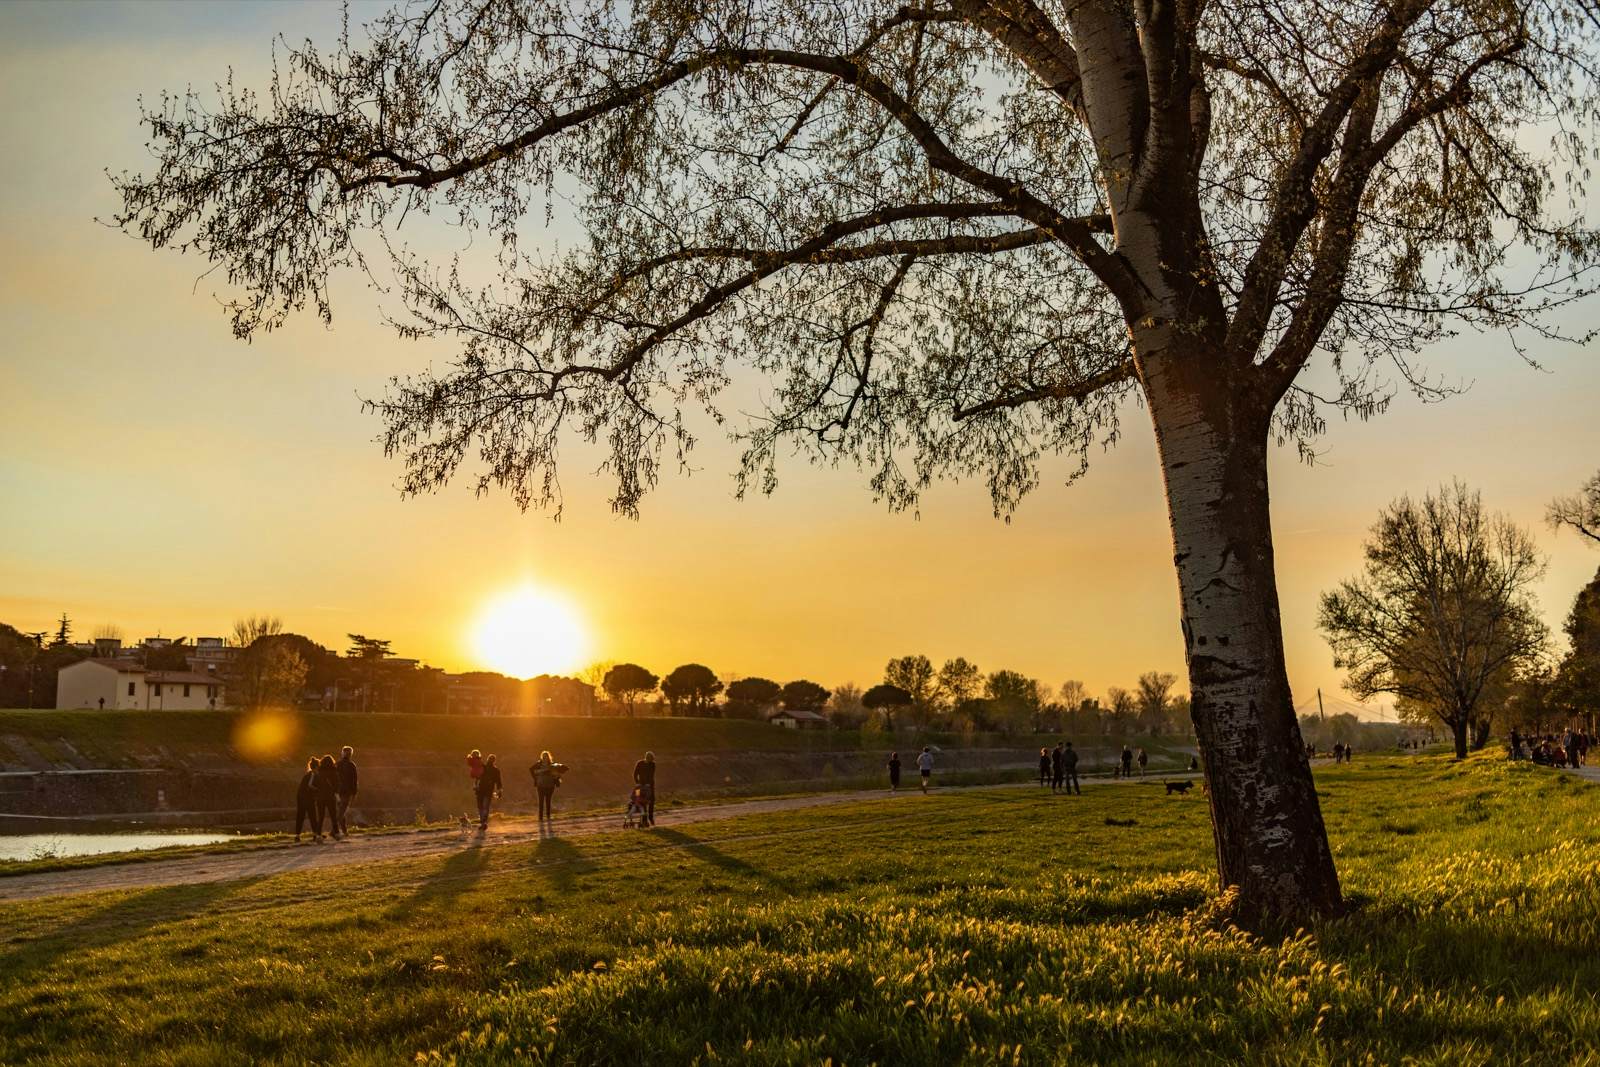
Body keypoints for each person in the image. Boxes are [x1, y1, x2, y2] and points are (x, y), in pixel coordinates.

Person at [530, 750, 563, 822]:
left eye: (546, 757)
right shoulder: (538, 764)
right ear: (542, 757)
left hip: (550, 785)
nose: (545, 758)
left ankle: (548, 817)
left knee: (548, 801)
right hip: (540, 785)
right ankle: (540, 818)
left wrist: (557, 776)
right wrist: (538, 776)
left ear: (549, 757)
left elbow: (559, 772)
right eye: (544, 757)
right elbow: (531, 770)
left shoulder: (553, 764)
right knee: (541, 802)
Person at [314, 754, 340, 841]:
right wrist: (336, 793)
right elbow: (336, 784)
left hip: (320, 798)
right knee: (333, 816)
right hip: (330, 797)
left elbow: (315, 785)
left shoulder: (318, 772)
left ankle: (318, 835)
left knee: (320, 817)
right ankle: (336, 834)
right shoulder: (334, 771)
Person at [334, 745, 359, 837]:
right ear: (351, 754)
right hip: (347, 792)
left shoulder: (337, 764)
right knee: (341, 812)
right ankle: (334, 829)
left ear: (342, 753)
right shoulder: (352, 765)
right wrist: (355, 793)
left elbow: (334, 778)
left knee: (341, 811)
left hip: (338, 791)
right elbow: (354, 780)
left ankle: (344, 831)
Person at [294, 756, 318, 842]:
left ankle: (297, 835)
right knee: (312, 816)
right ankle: (315, 835)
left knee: (300, 816)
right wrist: (317, 789)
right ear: (316, 767)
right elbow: (310, 785)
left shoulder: (307, 774)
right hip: (307, 798)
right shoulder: (312, 774)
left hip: (300, 797)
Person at [475, 754, 502, 832]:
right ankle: (484, 822)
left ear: (487, 760)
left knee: (481, 807)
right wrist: (499, 791)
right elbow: (499, 782)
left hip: (481, 790)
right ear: (494, 761)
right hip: (488, 791)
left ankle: (483, 823)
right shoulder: (496, 770)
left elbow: (477, 777)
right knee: (485, 807)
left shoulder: (483, 767)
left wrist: (475, 786)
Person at [632, 750, 657, 825]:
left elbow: (651, 775)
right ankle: (645, 819)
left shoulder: (653, 764)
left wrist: (648, 784)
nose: (649, 761)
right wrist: (637, 783)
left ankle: (650, 817)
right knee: (643, 802)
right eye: (649, 759)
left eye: (651, 760)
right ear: (646, 758)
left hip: (650, 785)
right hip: (641, 785)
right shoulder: (639, 763)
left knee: (652, 801)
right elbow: (635, 774)